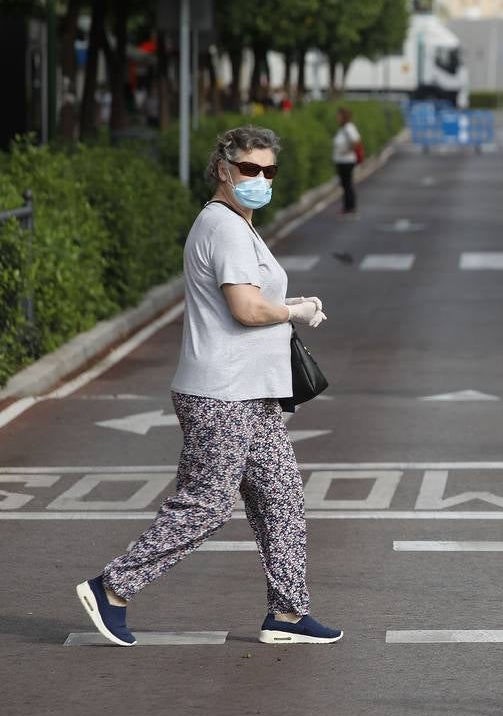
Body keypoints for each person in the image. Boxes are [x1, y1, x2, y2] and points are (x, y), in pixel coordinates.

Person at [74, 125, 342, 647]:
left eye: (269, 171)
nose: (260, 179)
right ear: (224, 168)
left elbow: (253, 297)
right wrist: (298, 309)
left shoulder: (240, 226)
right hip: (222, 393)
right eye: (249, 169)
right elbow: (246, 309)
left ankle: (287, 613)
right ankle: (112, 588)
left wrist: (285, 306)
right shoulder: (222, 227)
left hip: (252, 394)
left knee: (280, 495)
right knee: (206, 503)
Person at [333, 107, 363, 217]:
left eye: (339, 115)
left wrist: (347, 150)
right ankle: (347, 207)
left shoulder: (349, 127)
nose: (337, 117)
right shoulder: (343, 128)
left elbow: (356, 141)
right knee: (345, 184)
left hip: (347, 161)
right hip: (342, 160)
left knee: (347, 184)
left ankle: (350, 207)